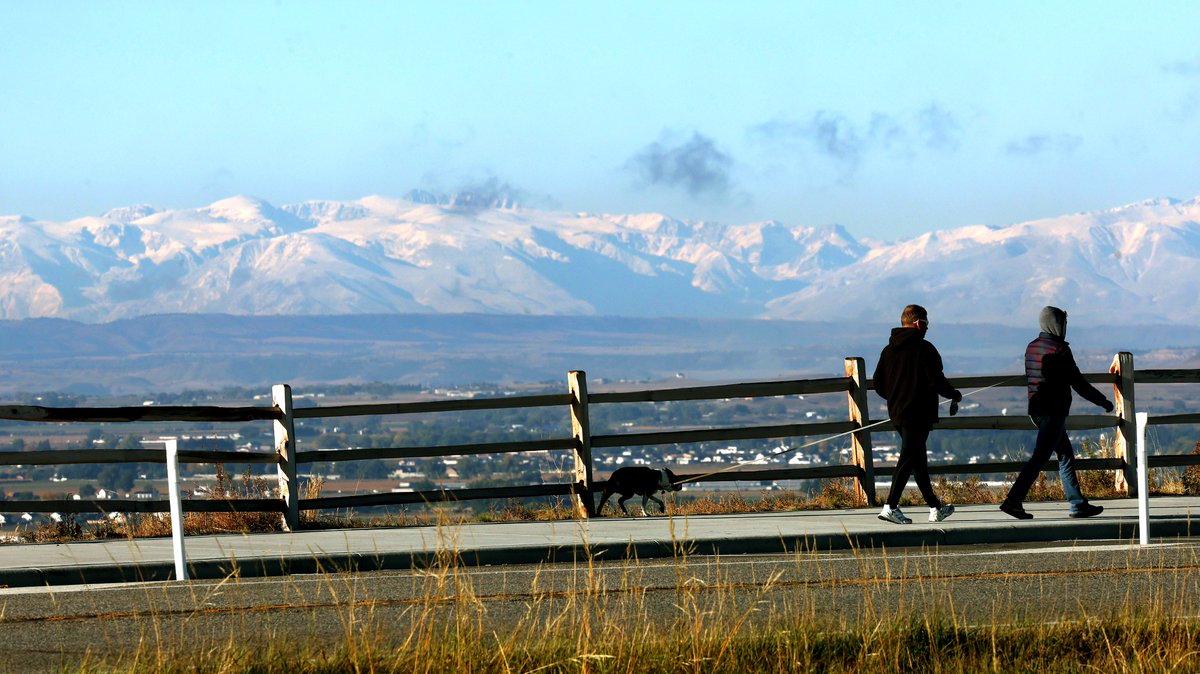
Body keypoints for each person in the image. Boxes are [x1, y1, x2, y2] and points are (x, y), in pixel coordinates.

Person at [1000, 306, 1113, 520]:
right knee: (1039, 458)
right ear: (1057, 324)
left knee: (1065, 455)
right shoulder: (1059, 349)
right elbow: (1078, 383)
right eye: (1064, 323)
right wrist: (1103, 401)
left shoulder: (1031, 346)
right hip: (1054, 411)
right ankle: (1013, 500)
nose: (1065, 328)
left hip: (1036, 410)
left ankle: (1078, 503)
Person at [872, 304, 962, 524]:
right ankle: (890, 506)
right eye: (927, 324)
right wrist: (954, 395)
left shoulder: (888, 350)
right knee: (908, 459)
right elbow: (937, 380)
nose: (928, 328)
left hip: (897, 413)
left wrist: (896, 399)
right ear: (919, 323)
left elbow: (878, 384)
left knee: (917, 460)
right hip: (919, 414)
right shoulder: (925, 349)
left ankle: (935, 507)